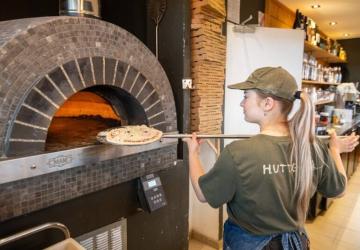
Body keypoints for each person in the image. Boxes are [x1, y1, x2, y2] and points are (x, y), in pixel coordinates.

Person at [184, 67, 359, 250]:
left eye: (246, 96)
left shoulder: (238, 153)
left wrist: (193, 154)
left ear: (267, 103)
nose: (241, 104)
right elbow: (339, 190)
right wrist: (335, 151)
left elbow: (203, 194)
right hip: (296, 244)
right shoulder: (314, 147)